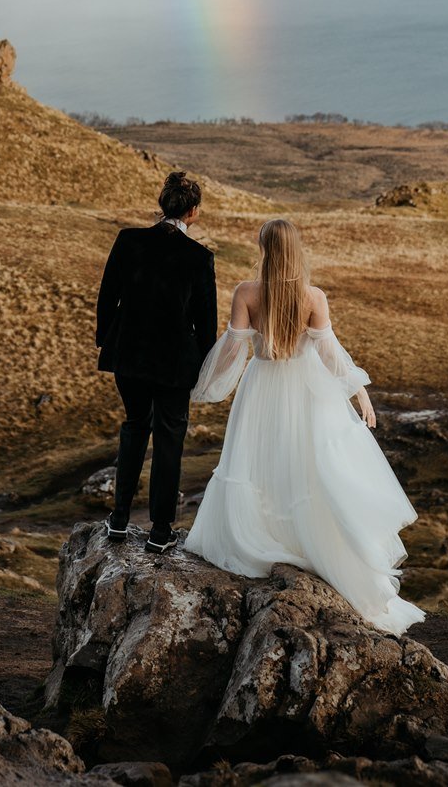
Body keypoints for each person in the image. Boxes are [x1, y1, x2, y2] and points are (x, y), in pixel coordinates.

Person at [182, 217, 425, 634]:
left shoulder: (247, 292)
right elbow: (330, 354)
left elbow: (232, 351)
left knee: (258, 463)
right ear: (296, 251)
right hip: (303, 391)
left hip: (260, 388)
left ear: (264, 250)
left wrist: (201, 384)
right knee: (304, 467)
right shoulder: (313, 297)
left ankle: (263, 537)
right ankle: (301, 542)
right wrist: (359, 392)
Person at [95, 170, 218, 553]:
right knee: (169, 440)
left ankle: (117, 521)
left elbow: (107, 295)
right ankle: (160, 531)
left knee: (134, 426)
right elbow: (206, 320)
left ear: (162, 205)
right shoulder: (199, 258)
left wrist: (107, 341)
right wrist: (201, 363)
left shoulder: (128, 240)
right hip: (173, 365)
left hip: (128, 355)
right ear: (193, 212)